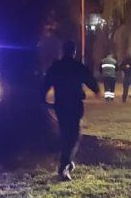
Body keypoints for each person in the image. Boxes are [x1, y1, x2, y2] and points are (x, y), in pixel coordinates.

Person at [42, 40, 100, 181]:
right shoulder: (77, 66)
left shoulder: (56, 67)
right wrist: (96, 90)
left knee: (65, 133)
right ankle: (64, 164)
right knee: (73, 135)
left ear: (63, 50)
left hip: (61, 105)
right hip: (74, 105)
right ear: (74, 52)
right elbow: (90, 80)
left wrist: (42, 99)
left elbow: (45, 84)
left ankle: (67, 161)